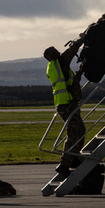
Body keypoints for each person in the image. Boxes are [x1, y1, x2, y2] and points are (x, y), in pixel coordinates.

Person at [43, 33, 86, 178]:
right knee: (74, 133)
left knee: (79, 131)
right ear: (51, 57)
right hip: (67, 104)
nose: (59, 52)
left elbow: (68, 82)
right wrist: (82, 38)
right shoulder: (60, 62)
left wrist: (79, 74)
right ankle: (64, 164)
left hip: (66, 103)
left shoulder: (55, 67)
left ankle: (73, 158)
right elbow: (71, 51)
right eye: (56, 52)